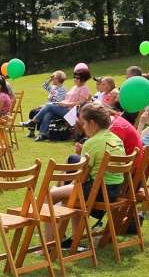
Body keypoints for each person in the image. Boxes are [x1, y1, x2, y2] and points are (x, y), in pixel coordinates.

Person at [43, 102, 125, 248]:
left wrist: (67, 185)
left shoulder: (92, 142)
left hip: (98, 191)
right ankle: (74, 241)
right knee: (71, 195)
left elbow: (82, 175)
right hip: (114, 190)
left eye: (84, 124)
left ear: (92, 123)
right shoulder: (116, 138)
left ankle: (49, 246)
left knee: (49, 195)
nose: (83, 127)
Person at [30, 64, 91, 141]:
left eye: (77, 78)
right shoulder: (74, 87)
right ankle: (43, 134)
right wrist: (61, 102)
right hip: (64, 109)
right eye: (74, 77)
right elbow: (67, 99)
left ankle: (33, 121)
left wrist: (66, 104)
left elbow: (81, 103)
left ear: (83, 79)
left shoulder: (84, 89)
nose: (75, 79)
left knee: (49, 106)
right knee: (48, 114)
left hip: (71, 112)